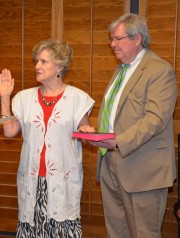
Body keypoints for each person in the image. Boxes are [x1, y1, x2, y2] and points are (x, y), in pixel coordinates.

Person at [82, 13, 178, 237]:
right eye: (111, 39)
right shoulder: (121, 70)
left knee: (143, 233)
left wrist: (117, 140)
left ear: (137, 39)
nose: (112, 44)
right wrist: (97, 134)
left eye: (118, 39)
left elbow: (155, 119)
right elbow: (117, 113)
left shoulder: (159, 70)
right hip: (110, 164)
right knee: (116, 232)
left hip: (143, 170)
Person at [0, 39, 95, 237]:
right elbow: (9, 132)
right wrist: (5, 97)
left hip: (62, 182)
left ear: (59, 66)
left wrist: (88, 133)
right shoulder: (24, 98)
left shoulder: (78, 98)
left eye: (43, 62)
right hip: (32, 181)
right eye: (36, 61)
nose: (37, 66)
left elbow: (84, 134)